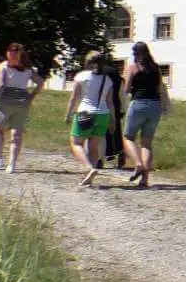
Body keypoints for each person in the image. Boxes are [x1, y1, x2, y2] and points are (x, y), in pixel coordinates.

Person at [0, 43, 44, 174]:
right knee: (16, 134)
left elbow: (0, 85)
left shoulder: (4, 66)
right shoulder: (28, 69)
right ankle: (12, 164)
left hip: (5, 100)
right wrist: (31, 96)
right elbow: (40, 83)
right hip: (22, 102)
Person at [122, 42, 170, 188]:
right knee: (147, 143)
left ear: (136, 54)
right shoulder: (156, 68)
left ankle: (138, 164)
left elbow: (126, 88)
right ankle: (145, 179)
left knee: (128, 137)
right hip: (155, 106)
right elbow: (160, 88)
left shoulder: (133, 68)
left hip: (138, 103)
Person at [65, 51, 114, 186]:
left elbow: (73, 98)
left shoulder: (81, 77)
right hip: (103, 114)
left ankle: (89, 168)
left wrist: (68, 114)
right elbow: (110, 103)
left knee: (76, 143)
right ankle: (91, 172)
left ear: (87, 62)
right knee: (93, 147)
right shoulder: (107, 80)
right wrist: (112, 120)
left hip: (85, 112)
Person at [98, 59, 127, 169]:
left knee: (101, 134)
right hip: (115, 107)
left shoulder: (99, 75)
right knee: (116, 133)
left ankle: (100, 158)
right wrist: (123, 110)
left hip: (101, 107)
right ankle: (120, 153)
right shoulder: (118, 77)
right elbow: (122, 95)